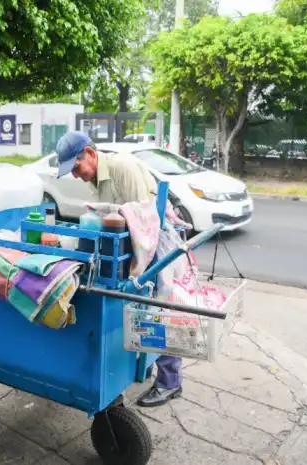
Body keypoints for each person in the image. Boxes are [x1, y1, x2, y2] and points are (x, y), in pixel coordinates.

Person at [56, 130, 183, 407]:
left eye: (76, 167)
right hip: (130, 246)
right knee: (138, 310)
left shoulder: (123, 168)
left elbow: (146, 222)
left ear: (89, 153)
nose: (76, 175)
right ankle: (144, 367)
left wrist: (137, 271)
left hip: (152, 243)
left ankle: (170, 382)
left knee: (156, 308)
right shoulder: (95, 179)